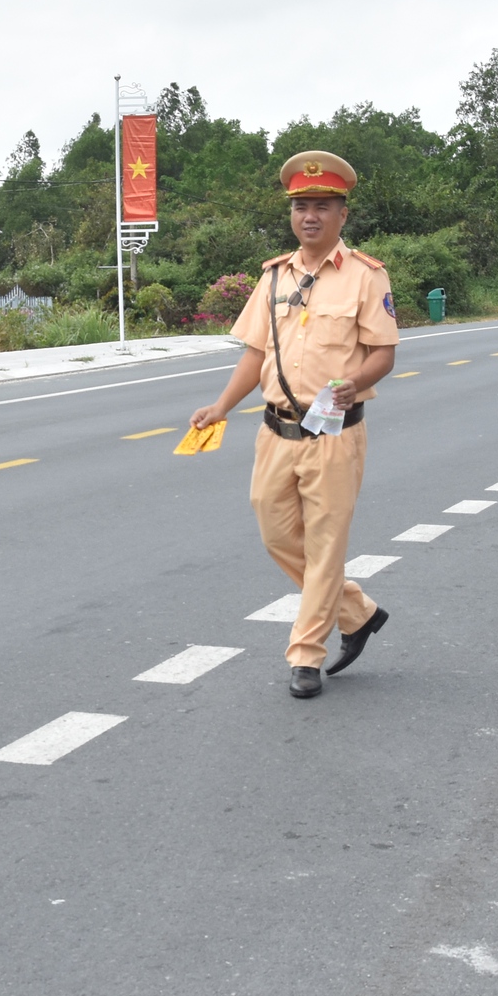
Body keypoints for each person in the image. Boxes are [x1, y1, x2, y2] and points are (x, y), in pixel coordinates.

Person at [188, 151, 399, 698]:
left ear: (342, 215)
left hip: (335, 433)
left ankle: (306, 654)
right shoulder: (274, 276)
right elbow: (255, 353)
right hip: (274, 432)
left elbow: (383, 352)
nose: (310, 216)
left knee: (326, 547)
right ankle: (357, 611)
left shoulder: (366, 277)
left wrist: (358, 379)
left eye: (322, 207)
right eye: (301, 207)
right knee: (277, 533)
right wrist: (220, 407)